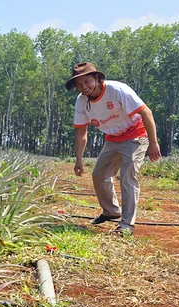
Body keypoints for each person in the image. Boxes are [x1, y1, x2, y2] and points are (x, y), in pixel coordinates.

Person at [67, 62, 161, 235]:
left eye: (87, 82)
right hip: (112, 138)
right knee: (99, 175)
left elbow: (146, 112)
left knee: (128, 176)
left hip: (135, 135)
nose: (84, 87)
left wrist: (153, 143)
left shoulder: (117, 90)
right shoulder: (81, 102)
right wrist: (78, 159)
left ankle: (127, 225)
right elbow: (81, 131)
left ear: (96, 78)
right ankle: (111, 211)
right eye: (79, 85)